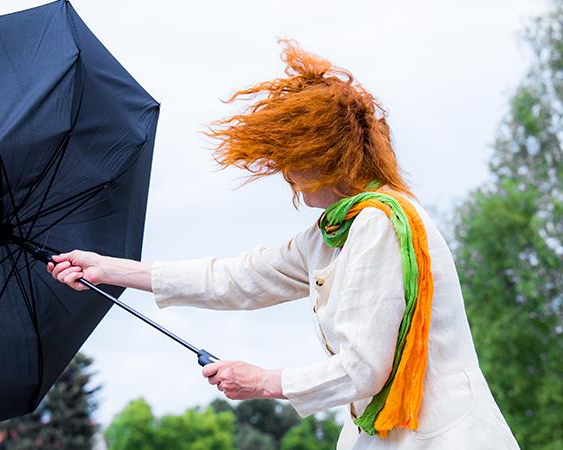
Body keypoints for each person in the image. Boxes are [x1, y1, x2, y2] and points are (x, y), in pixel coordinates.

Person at [45, 40, 519, 449]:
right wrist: (109, 269)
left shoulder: (378, 223)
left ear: (327, 153)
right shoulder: (335, 232)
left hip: (442, 437)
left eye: (292, 157)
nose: (286, 173)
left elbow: (363, 369)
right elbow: (235, 278)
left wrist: (266, 382)